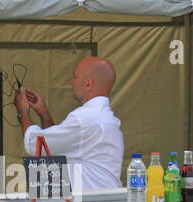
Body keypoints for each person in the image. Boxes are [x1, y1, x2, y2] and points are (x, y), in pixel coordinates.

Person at [14, 56, 124, 189]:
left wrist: (23, 112)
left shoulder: (84, 119)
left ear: (88, 84)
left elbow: (35, 144)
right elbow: (54, 149)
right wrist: (43, 113)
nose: (71, 82)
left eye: (75, 77)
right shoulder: (106, 118)